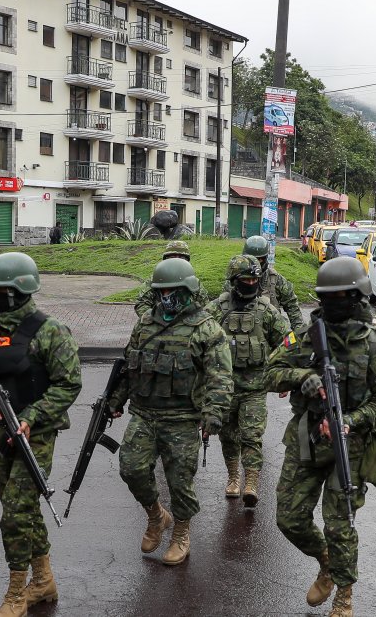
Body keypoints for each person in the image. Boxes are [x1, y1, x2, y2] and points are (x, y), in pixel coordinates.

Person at [265, 257, 376, 617]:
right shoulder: (307, 337)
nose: (334, 304)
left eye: (342, 297)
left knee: (340, 523)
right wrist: (302, 378)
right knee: (289, 518)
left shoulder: (375, 344)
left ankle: (344, 594)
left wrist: (352, 420)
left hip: (351, 445)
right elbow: (270, 372)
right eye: (328, 298)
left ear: (359, 296)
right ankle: (326, 560)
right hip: (307, 438)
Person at [0, 252, 82, 617]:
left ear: (19, 290)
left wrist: (31, 416)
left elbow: (69, 384)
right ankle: (44, 580)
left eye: (2, 290)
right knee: (21, 509)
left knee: (15, 512)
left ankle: (16, 592)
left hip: (37, 436)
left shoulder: (51, 331)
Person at [109, 257, 232, 566]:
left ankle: (181, 533)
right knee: (131, 468)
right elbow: (129, 367)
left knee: (179, 481)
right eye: (161, 292)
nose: (166, 297)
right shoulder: (145, 323)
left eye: (172, 291)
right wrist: (115, 400)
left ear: (188, 290)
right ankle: (155, 516)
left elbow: (220, 376)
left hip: (181, 418)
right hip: (144, 413)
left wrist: (213, 413)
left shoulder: (206, 328)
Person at [206, 255, 290, 507]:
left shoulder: (266, 310)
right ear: (234, 280)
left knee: (251, 436)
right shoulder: (217, 309)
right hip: (224, 387)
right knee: (228, 435)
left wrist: (282, 373)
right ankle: (233, 477)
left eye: (255, 279)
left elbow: (288, 342)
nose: (251, 283)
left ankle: (251, 482)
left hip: (255, 386)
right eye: (245, 279)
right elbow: (199, 340)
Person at [240, 235, 305, 332]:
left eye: (261, 259)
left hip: (270, 335)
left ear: (266, 258)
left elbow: (292, 307)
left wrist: (299, 333)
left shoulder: (275, 279)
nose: (258, 263)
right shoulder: (236, 280)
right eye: (254, 260)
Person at [135, 240, 210, 317]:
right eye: (172, 257)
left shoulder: (192, 281)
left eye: (181, 257)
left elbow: (205, 307)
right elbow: (141, 304)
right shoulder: (156, 280)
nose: (176, 260)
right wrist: (155, 321)